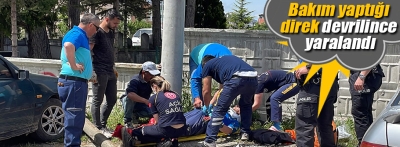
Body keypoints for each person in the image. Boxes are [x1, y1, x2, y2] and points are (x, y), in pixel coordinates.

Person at [57, 13, 100, 147]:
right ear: (91, 25)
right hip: (74, 83)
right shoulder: (78, 33)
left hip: (73, 82)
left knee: (74, 117)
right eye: (97, 28)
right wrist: (74, 65)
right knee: (74, 118)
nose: (96, 31)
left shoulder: (78, 34)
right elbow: (69, 45)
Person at [201, 55, 258, 147]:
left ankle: (210, 140)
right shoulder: (224, 62)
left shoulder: (207, 65)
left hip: (236, 79)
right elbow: (222, 89)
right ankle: (245, 134)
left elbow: (206, 91)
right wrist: (212, 102)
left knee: (219, 109)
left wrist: (207, 106)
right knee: (246, 105)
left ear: (204, 64)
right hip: (253, 78)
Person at [119, 76, 187, 147]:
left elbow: (157, 121)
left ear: (154, 86)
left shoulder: (154, 98)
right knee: (160, 130)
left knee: (140, 131)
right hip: (182, 129)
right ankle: (170, 140)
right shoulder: (176, 94)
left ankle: (131, 138)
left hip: (166, 130)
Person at [90, 9, 123, 137]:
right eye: (114, 23)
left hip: (109, 70)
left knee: (112, 99)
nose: (116, 26)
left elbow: (109, 50)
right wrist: (91, 70)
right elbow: (89, 50)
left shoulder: (111, 32)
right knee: (97, 100)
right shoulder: (96, 32)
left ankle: (103, 124)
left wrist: (113, 66)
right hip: (99, 70)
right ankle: (97, 128)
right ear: (107, 19)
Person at [294, 59, 339, 147]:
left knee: (304, 126)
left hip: (314, 85)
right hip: (329, 84)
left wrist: (309, 66)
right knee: (325, 125)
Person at [349, 64, 384, 146]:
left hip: (365, 75)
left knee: (360, 112)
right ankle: (369, 142)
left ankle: (363, 143)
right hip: (365, 74)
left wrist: (361, 76)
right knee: (365, 112)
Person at [189, 43, 233, 108]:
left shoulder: (229, 67)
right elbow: (195, 79)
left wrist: (213, 103)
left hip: (214, 52)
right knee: (198, 101)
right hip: (196, 54)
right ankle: (198, 112)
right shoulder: (205, 63)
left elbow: (222, 89)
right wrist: (197, 98)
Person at [120, 61, 160, 128]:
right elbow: (130, 94)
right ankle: (128, 121)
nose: (153, 76)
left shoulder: (151, 80)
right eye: (151, 74)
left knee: (155, 113)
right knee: (129, 98)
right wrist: (145, 101)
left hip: (142, 105)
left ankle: (135, 116)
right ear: (144, 72)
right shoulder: (135, 80)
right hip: (132, 104)